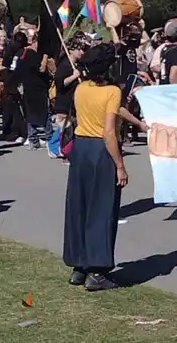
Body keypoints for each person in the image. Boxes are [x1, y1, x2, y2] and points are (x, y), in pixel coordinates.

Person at [63, 43, 128, 291]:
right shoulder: (112, 91)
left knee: (79, 206)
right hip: (101, 149)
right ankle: (97, 270)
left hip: (81, 147)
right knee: (102, 208)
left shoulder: (81, 88)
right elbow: (109, 132)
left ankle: (79, 264)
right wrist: (120, 165)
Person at [13, 31, 52, 150]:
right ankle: (40, 138)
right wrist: (45, 57)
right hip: (32, 86)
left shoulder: (30, 53)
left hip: (39, 86)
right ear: (34, 41)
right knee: (40, 113)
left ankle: (40, 139)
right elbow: (41, 68)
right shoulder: (29, 54)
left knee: (39, 113)